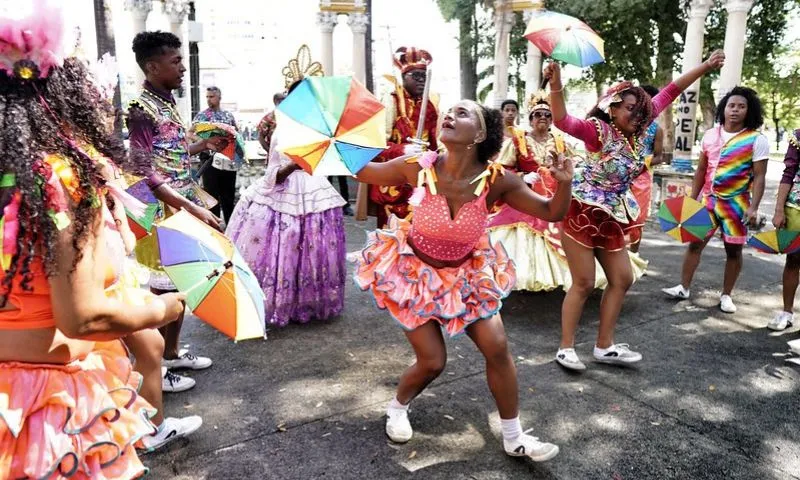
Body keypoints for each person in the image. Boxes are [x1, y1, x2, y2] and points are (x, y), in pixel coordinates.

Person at [0, 5, 192, 475]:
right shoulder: (57, 179)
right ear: (64, 89)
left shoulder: (18, 172)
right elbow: (85, 316)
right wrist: (167, 308)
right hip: (42, 407)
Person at [353, 99, 572, 461]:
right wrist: (338, 140)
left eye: (463, 113)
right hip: (414, 275)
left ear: (482, 134)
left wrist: (564, 183)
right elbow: (364, 173)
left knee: (497, 347)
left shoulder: (499, 180)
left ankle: (514, 437)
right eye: (449, 111)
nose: (450, 115)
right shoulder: (416, 166)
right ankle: (397, 407)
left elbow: (552, 211)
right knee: (433, 362)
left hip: (467, 277)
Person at [544, 50, 725, 371]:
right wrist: (556, 85)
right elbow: (562, 120)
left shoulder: (640, 132)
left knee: (622, 278)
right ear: (612, 109)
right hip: (582, 210)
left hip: (612, 215)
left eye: (641, 111)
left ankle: (604, 346)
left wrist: (707, 66)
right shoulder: (598, 131)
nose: (637, 115)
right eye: (629, 109)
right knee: (583, 283)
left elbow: (672, 90)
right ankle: (566, 347)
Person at [225, 45, 346, 328]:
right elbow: (273, 174)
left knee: (312, 249)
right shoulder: (282, 129)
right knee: (286, 245)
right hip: (281, 194)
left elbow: (328, 163)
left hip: (315, 194)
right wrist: (293, 165)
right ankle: (278, 302)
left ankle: (309, 302)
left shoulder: (321, 130)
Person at [126, 31, 219, 379]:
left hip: (180, 202)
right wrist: (191, 207)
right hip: (160, 208)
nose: (182, 68)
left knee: (183, 280)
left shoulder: (166, 103)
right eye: (175, 61)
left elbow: (171, 154)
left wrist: (202, 147)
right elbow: (142, 169)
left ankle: (172, 352)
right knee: (164, 287)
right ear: (152, 66)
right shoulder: (140, 109)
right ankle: (156, 370)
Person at [662, 86, 769, 314]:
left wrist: (754, 207)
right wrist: (692, 199)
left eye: (741, 106)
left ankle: (727, 295)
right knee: (694, 244)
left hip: (737, 204)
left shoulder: (756, 140)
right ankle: (684, 287)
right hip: (709, 201)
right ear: (724, 108)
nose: (735, 110)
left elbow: (760, 177)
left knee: (733, 251)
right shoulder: (711, 134)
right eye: (732, 105)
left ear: (749, 111)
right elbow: (701, 169)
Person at [363, 46, 439, 228]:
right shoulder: (390, 101)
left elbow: (435, 142)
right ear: (404, 78)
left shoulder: (431, 104)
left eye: (425, 76)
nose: (422, 81)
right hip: (393, 180)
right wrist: (402, 149)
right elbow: (374, 144)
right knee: (392, 234)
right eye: (416, 77)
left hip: (422, 177)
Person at [193, 86, 239, 223]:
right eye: (207, 97)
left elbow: (236, 134)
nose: (208, 99)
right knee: (211, 196)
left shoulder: (228, 116)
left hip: (227, 159)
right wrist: (204, 142)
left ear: (219, 97)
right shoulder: (202, 116)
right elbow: (190, 133)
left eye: (211, 97)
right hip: (208, 160)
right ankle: (215, 226)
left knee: (228, 195)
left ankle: (230, 227)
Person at [628, 85, 665, 253]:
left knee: (638, 219)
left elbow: (659, 156)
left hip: (642, 179)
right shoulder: (624, 121)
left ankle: (633, 258)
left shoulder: (656, 129)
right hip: (617, 175)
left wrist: (644, 163)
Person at [771, 128, 800, 331]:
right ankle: (787, 312)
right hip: (795, 209)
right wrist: (779, 210)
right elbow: (788, 173)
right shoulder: (798, 137)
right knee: (793, 260)